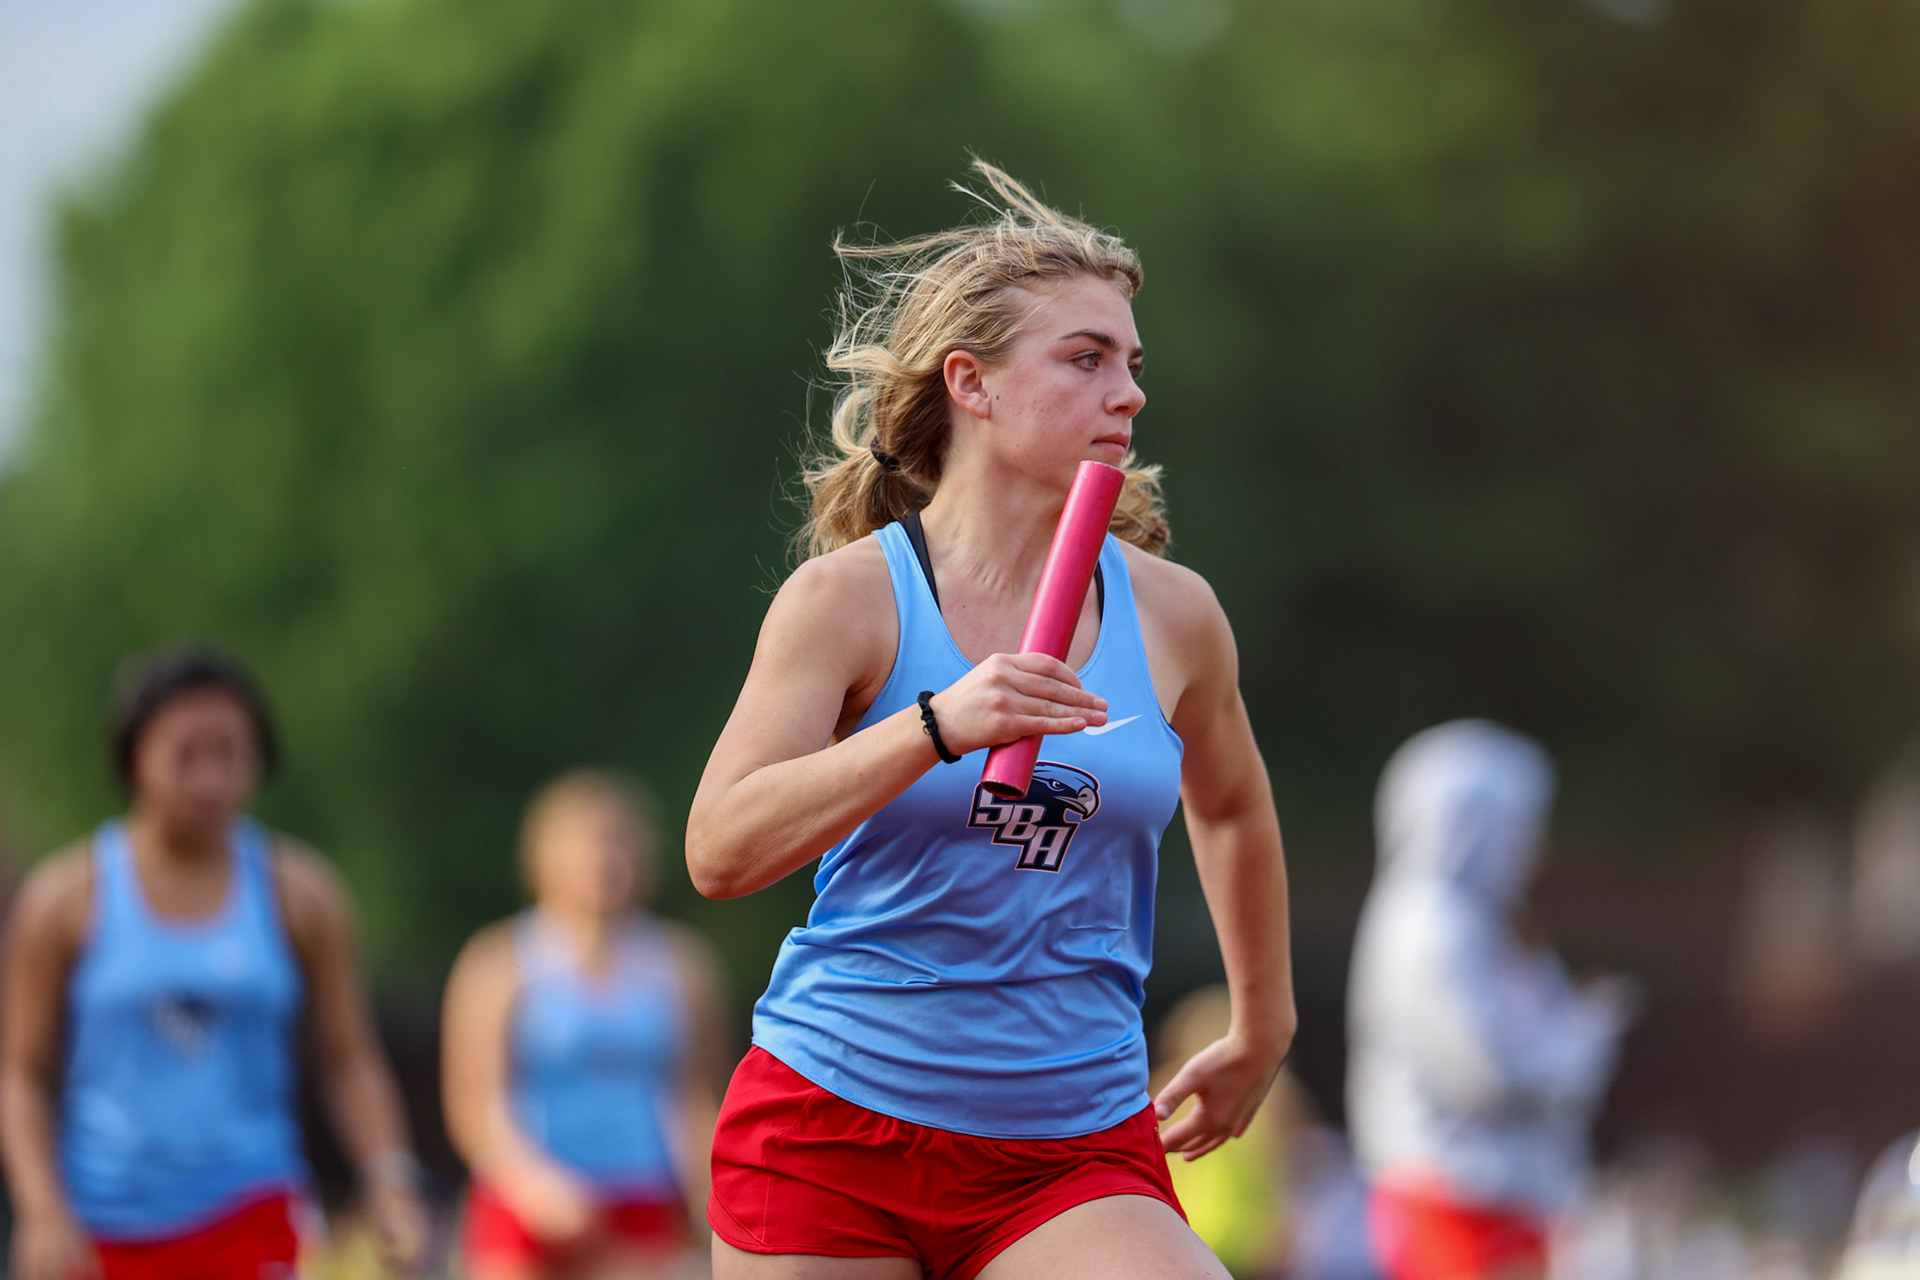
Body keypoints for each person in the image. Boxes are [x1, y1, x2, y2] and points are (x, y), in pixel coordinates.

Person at [686, 161, 1296, 1280]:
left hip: (1068, 1147)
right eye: (1086, 358)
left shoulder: (1177, 615)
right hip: (835, 1127)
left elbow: (1235, 804)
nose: (1131, 392)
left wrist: (1263, 1022)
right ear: (971, 382)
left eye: (1132, 363)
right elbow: (721, 849)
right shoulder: (848, 600)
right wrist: (936, 721)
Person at [0, 645, 427, 1280]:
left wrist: (389, 1176)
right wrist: (41, 1208)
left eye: (229, 755)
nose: (208, 780)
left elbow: (347, 1056)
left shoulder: (300, 895)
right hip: (103, 1221)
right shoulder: (66, 899)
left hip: (249, 1208)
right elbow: (24, 1074)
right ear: (133, 758)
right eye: (185, 756)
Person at [1346, 720, 1631, 1280]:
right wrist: (1583, 1038)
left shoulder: (1487, 925)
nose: (1536, 847)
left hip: (1505, 1192)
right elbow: (1486, 1071)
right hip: (1453, 1190)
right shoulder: (1432, 927)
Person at [441, 769, 730, 1279]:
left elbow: (695, 1095)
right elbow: (473, 1103)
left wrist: (710, 1198)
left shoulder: (682, 965)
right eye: (588, 846)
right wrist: (533, 1187)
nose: (604, 862)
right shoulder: (498, 960)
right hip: (527, 1209)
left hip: (642, 1199)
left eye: (619, 846)